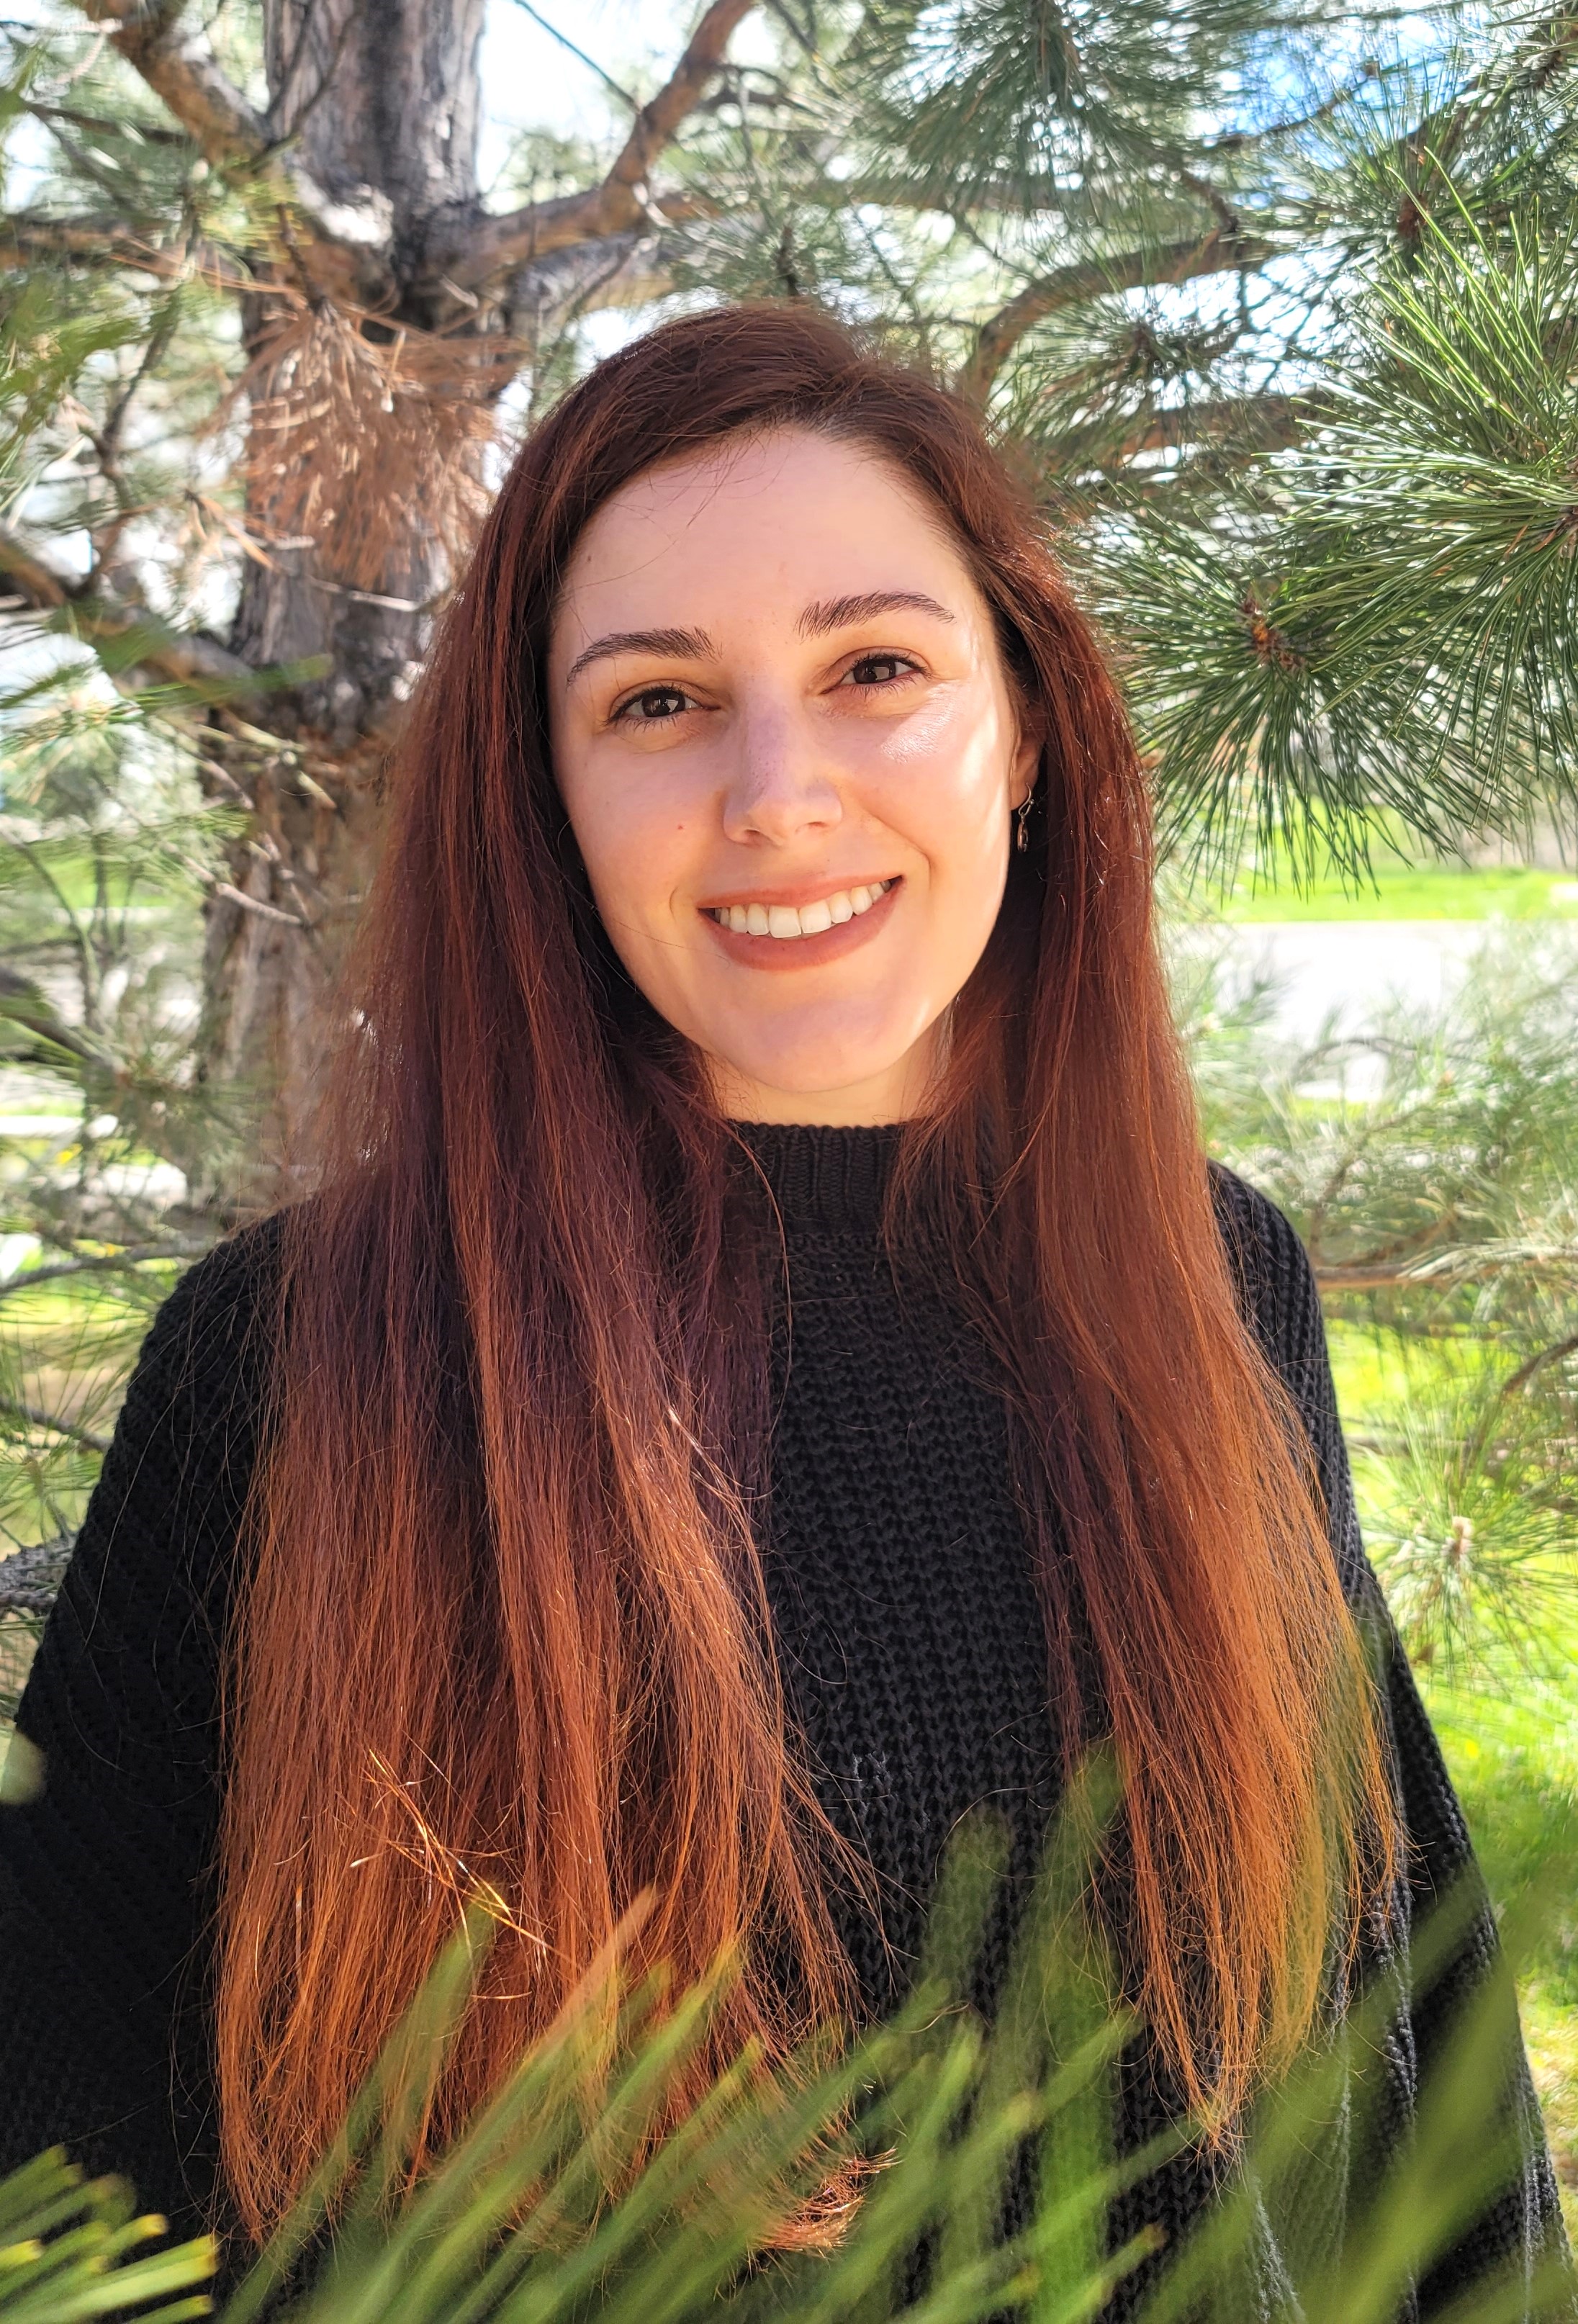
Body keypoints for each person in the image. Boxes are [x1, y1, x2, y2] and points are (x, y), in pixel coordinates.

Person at [0, 305, 1562, 2318]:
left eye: (877, 669)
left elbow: (1400, 2049)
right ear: (543, 796)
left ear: (1025, 733)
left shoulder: (1208, 1272)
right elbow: (68, 2190)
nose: (778, 789)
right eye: (656, 702)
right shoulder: (294, 1357)